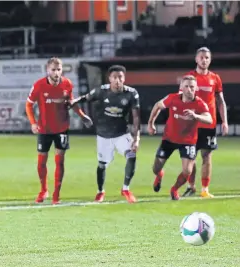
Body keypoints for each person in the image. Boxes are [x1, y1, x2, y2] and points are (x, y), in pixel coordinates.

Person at [26, 57, 92, 204]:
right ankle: (44, 190)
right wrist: (33, 123)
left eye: (59, 69)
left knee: (59, 162)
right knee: (41, 162)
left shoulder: (67, 84)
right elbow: (29, 105)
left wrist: (82, 116)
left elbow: (72, 102)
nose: (56, 72)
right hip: (44, 129)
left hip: (62, 128)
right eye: (53, 70)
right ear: (47, 70)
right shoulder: (39, 85)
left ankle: (56, 193)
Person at [70, 65, 140, 203]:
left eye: (120, 77)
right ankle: (100, 191)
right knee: (102, 165)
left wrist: (136, 138)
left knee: (131, 155)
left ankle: (125, 189)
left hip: (122, 134)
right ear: (110, 79)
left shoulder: (131, 93)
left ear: (124, 78)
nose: (118, 80)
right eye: (115, 77)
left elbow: (136, 117)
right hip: (103, 135)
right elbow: (85, 97)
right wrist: (74, 101)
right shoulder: (101, 91)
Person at [147, 75, 213, 200]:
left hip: (188, 141)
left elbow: (209, 119)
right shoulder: (173, 98)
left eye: (192, 87)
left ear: (196, 88)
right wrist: (151, 123)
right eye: (186, 86)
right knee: (156, 168)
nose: (189, 89)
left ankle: (174, 189)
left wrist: (196, 116)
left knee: (187, 171)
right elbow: (157, 106)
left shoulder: (199, 103)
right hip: (169, 139)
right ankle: (160, 175)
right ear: (181, 87)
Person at [183, 47, 228, 198]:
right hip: (191, 124)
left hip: (209, 124)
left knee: (207, 156)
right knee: (190, 157)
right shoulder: (189, 77)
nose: (204, 60)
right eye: (201, 57)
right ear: (196, 59)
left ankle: (205, 189)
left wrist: (224, 121)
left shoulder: (215, 78)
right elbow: (180, 98)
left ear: (210, 60)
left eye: (207, 57)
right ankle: (191, 186)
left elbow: (220, 102)